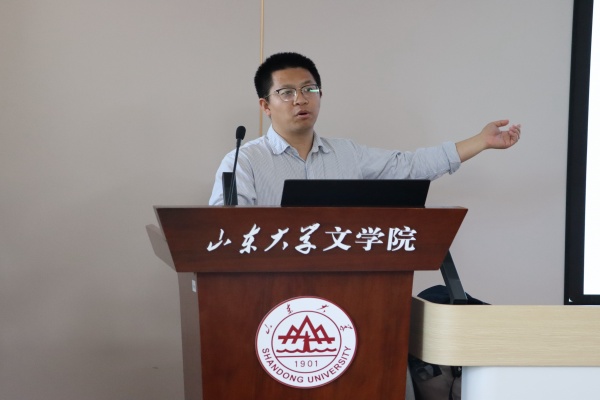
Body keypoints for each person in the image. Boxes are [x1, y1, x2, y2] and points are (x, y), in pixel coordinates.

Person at [209, 52, 521, 206]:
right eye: (286, 92)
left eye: (309, 89)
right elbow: (225, 235)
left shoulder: (347, 154)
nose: (301, 99)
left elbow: (410, 166)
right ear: (265, 106)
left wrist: (481, 141)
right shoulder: (244, 162)